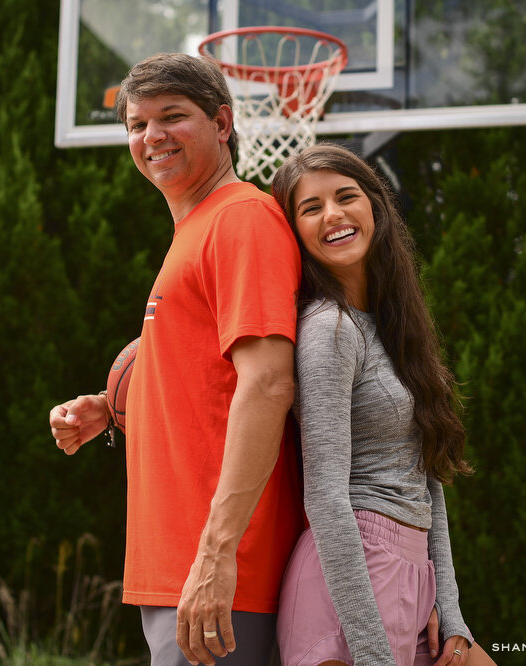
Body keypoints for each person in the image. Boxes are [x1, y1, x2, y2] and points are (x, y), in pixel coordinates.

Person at [48, 53, 304, 666]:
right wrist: (113, 408)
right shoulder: (196, 230)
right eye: (137, 125)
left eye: (172, 116)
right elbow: (207, 380)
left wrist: (215, 556)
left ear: (221, 122)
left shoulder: (240, 218)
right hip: (181, 574)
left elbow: (268, 383)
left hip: (222, 574)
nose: (151, 136)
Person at [270, 144, 496, 666]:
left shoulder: (398, 332)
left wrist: (451, 612)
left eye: (346, 196)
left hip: (413, 574)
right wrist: (372, 654)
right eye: (311, 207)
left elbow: (428, 480)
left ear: (375, 206)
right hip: (350, 578)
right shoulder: (330, 329)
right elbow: (325, 496)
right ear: (295, 232)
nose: (333, 214)